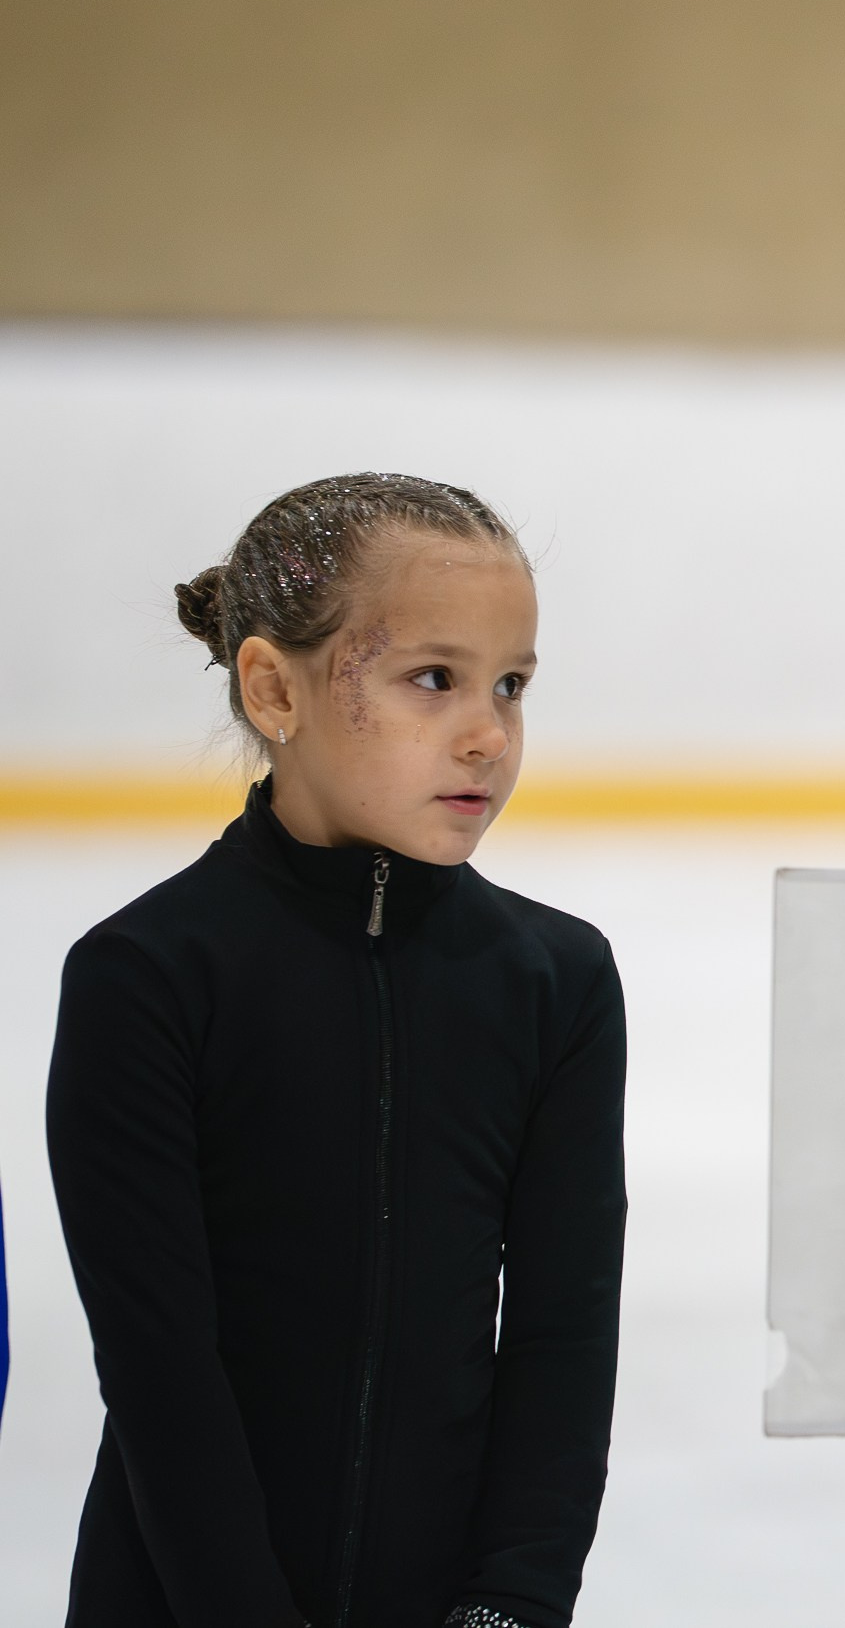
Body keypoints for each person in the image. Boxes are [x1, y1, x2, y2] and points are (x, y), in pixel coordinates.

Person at [47, 474, 627, 1628]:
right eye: (434, 678)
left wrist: (509, 1604)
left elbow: (562, 1339)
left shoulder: (555, 981)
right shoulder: (147, 977)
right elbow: (161, 1370)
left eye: (511, 685)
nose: (489, 733)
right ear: (275, 688)